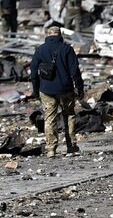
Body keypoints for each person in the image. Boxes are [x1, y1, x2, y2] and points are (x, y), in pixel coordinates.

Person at [30, 26, 85, 157]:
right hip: (66, 89)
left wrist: (36, 90)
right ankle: (71, 146)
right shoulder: (67, 49)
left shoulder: (40, 50)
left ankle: (51, 149)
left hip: (46, 90)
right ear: (60, 35)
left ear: (48, 35)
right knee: (69, 115)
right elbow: (75, 71)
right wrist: (79, 87)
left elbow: (33, 72)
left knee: (49, 118)